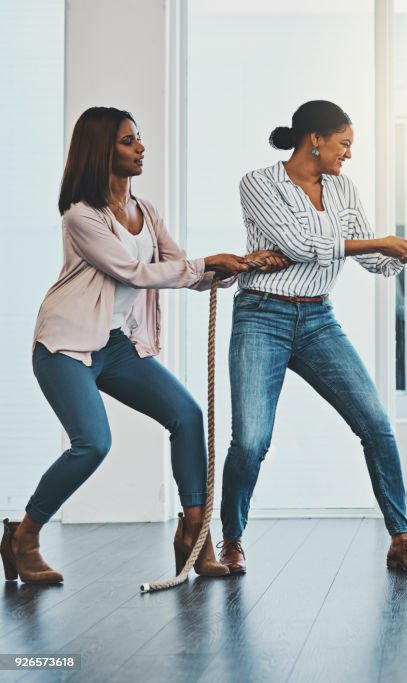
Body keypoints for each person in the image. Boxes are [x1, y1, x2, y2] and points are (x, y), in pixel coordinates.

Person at [0, 107, 277, 585]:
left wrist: (235, 267)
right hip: (65, 346)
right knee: (92, 444)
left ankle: (193, 535)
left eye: (139, 139)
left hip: (116, 344)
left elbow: (180, 269)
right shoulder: (81, 217)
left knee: (187, 416)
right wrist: (204, 263)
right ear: (102, 150)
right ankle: (23, 537)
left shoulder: (147, 212)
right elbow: (135, 273)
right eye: (129, 141)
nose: (140, 148)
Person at [218, 100, 407, 575]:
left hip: (317, 320)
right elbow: (299, 246)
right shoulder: (257, 183)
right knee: (251, 440)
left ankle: (401, 538)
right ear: (315, 139)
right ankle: (231, 542)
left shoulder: (343, 188)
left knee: (376, 424)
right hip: (261, 316)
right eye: (344, 143)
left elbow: (376, 261)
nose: (348, 154)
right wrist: (377, 241)